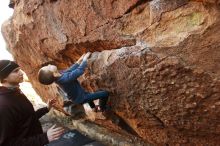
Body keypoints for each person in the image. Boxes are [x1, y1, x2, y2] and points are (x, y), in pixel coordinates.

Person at [0, 60, 64, 146]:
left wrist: (45, 109)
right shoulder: (4, 106)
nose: (21, 73)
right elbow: (6, 143)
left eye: (19, 69)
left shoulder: (16, 93)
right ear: (4, 77)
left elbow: (26, 119)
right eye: (15, 71)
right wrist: (44, 138)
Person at [38, 52, 109, 115]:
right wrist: (85, 60)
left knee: (88, 96)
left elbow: (70, 70)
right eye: (48, 67)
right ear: (53, 73)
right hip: (80, 98)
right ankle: (102, 108)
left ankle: (93, 108)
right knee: (105, 94)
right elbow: (79, 71)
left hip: (78, 95)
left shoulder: (59, 74)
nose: (49, 64)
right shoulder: (65, 79)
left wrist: (79, 61)